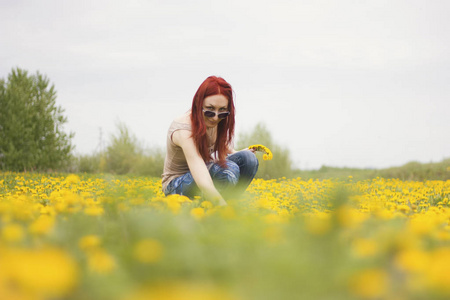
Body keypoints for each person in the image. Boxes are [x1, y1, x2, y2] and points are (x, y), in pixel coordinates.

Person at [161, 76, 259, 206]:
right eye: (210, 109)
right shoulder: (184, 129)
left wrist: (241, 154)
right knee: (228, 169)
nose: (215, 117)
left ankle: (230, 205)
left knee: (249, 159)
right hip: (177, 185)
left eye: (222, 111)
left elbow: (223, 147)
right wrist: (220, 205)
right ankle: (217, 209)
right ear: (198, 103)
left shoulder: (214, 121)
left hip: (206, 171)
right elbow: (198, 167)